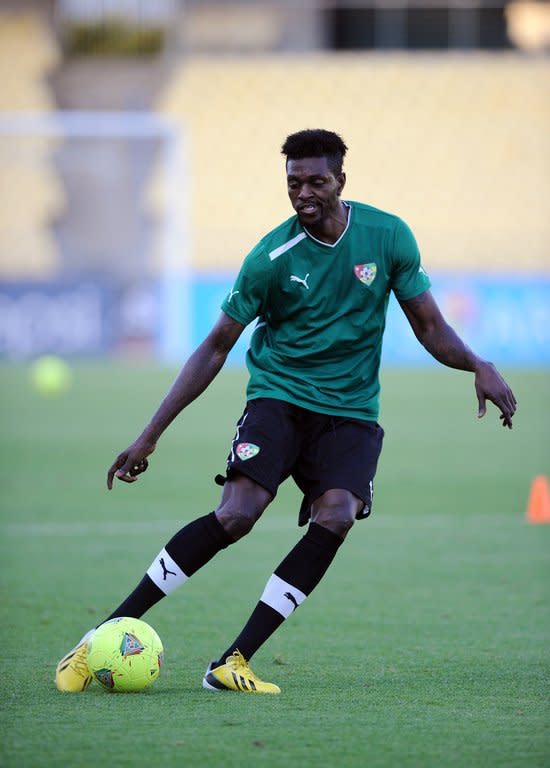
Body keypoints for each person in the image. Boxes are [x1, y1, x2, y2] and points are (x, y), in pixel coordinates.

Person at [55, 129, 517, 695]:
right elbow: (215, 346)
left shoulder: (388, 236)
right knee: (238, 513)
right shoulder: (270, 257)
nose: (303, 194)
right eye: (293, 183)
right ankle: (98, 637)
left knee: (338, 513)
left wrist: (477, 363)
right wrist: (149, 435)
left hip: (350, 410)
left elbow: (429, 326)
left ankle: (234, 660)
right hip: (279, 398)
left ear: (340, 181)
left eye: (316, 181)